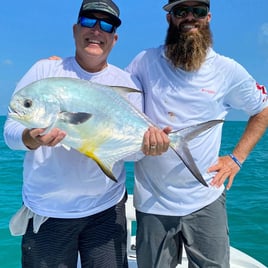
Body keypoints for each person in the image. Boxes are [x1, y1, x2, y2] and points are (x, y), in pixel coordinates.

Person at [3, 1, 168, 267]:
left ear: (114, 38)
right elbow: (10, 131)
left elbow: (135, 150)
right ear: (75, 29)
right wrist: (31, 138)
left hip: (105, 210)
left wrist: (150, 146)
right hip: (48, 212)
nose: (96, 30)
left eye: (106, 25)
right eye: (89, 21)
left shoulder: (126, 83)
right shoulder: (45, 71)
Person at [126, 0, 268, 267]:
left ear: (209, 17)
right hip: (153, 202)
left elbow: (263, 109)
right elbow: (113, 99)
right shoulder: (143, 62)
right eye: (181, 11)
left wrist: (236, 158)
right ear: (169, 18)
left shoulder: (227, 70)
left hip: (206, 199)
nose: (190, 17)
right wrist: (63, 68)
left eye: (198, 11)